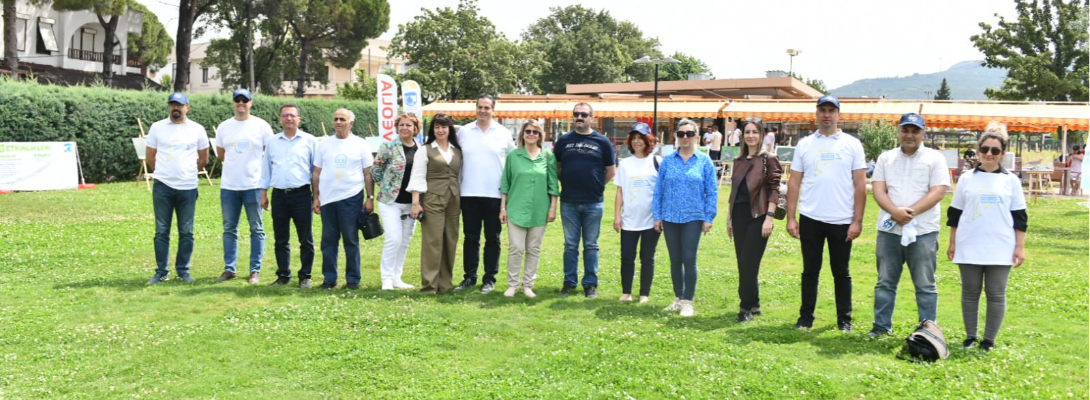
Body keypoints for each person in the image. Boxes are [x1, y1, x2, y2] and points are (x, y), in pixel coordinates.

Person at [785, 95, 867, 331]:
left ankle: (844, 319)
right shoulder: (805, 144)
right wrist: (791, 217)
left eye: (832, 110)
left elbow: (860, 185)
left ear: (839, 115)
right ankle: (806, 318)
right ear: (816, 114)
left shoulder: (852, 145)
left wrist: (857, 220)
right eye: (823, 110)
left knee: (841, 272)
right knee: (810, 270)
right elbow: (794, 183)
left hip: (841, 220)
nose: (827, 114)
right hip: (811, 218)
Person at [868, 113, 951, 338]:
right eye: (905, 130)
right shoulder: (886, 158)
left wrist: (910, 212)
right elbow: (878, 189)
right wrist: (895, 212)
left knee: (925, 284)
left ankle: (928, 330)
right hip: (889, 230)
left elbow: (938, 191)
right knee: (885, 282)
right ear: (899, 131)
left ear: (923, 133)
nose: (910, 135)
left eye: (915, 131)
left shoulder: (935, 158)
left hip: (923, 230)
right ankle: (881, 326)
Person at [947, 121, 1027, 351]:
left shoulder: (1011, 181)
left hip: (1001, 246)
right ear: (978, 150)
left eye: (995, 151)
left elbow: (1020, 217)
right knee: (970, 292)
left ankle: (988, 340)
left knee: (996, 294)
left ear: (1002, 154)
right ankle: (970, 337)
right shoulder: (966, 178)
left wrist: (1019, 247)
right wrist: (952, 242)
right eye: (985, 149)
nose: (989, 154)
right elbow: (955, 214)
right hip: (969, 243)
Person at [653, 119, 718, 317]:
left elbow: (712, 191)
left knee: (689, 259)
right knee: (675, 260)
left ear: (697, 136)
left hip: (693, 216)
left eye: (689, 134)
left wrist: (709, 217)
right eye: (681, 134)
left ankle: (688, 301)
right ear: (676, 137)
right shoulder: (668, 161)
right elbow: (659, 190)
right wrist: (658, 215)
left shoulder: (704, 161)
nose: (685, 137)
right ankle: (678, 298)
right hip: (670, 216)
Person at [145, 93, 210, 284]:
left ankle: (183, 271)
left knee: (187, 231)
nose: (176, 108)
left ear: (187, 107)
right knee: (161, 230)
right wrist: (164, 173)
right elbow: (150, 156)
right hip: (163, 186)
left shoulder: (197, 129)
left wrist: (189, 172)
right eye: (173, 104)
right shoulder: (157, 128)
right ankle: (161, 271)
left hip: (188, 187)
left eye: (180, 105)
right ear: (168, 107)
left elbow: (204, 158)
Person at [554, 102, 617, 298]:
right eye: (576, 114)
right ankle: (569, 282)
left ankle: (590, 284)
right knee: (570, 244)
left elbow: (610, 171)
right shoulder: (564, 140)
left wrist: (597, 185)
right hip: (569, 201)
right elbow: (557, 167)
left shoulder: (602, 142)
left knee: (591, 245)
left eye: (584, 114)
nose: (579, 117)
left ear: (591, 117)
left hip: (593, 202)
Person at [455, 94, 515, 294]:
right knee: (470, 237)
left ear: (493, 110)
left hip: (495, 195)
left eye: (487, 107)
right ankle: (469, 277)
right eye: (480, 107)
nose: (483, 110)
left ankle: (489, 278)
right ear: (476, 108)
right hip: (469, 193)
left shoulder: (503, 133)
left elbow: (513, 162)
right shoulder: (464, 132)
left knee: (493, 238)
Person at [214, 88, 275, 284]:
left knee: (256, 228)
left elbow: (270, 153)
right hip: (229, 187)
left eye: (245, 100)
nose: (241, 103)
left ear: (251, 102)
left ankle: (254, 270)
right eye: (237, 100)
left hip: (254, 185)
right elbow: (221, 154)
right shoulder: (224, 127)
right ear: (233, 102)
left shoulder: (261, 126)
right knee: (229, 229)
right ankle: (229, 269)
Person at [311, 108, 374, 290]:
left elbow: (368, 174)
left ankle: (353, 279)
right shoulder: (323, 144)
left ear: (351, 123)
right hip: (328, 200)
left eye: (342, 119)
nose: (338, 122)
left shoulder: (360, 144)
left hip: (351, 198)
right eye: (336, 119)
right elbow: (316, 173)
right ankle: (329, 279)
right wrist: (316, 197)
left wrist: (369, 198)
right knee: (328, 241)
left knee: (350, 239)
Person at [726, 120, 780, 322]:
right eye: (747, 132)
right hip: (739, 216)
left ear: (762, 134)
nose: (750, 136)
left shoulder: (769, 158)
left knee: (748, 263)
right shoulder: (738, 160)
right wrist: (729, 219)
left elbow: (775, 190)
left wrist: (769, 217)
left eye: (754, 132)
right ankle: (755, 303)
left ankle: (745, 308)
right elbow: (734, 192)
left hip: (759, 216)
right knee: (744, 263)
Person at [499, 120, 559, 298]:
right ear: (522, 134)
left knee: (534, 248)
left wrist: (553, 208)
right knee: (516, 247)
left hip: (540, 209)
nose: (531, 134)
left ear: (540, 135)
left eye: (535, 132)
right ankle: (512, 284)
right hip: (516, 208)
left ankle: (527, 285)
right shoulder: (513, 156)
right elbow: (505, 183)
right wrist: (503, 207)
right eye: (528, 131)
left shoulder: (548, 157)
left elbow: (553, 185)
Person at [259, 103, 317, 288]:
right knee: (281, 238)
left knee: (305, 239)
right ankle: (283, 275)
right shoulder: (273, 142)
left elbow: (316, 171)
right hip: (279, 196)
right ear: (280, 119)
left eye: (292, 115)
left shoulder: (310, 141)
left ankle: (305, 276)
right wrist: (263, 194)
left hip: (301, 195)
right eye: (285, 115)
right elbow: (266, 170)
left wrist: (316, 197)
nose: (289, 118)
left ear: (299, 119)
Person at [407, 113, 463, 294]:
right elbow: (417, 176)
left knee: (450, 240)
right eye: (437, 127)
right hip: (432, 199)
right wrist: (416, 203)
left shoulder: (457, 150)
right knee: (433, 241)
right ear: (433, 130)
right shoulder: (425, 149)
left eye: (444, 127)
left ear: (449, 129)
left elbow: (459, 176)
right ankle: (429, 285)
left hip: (454, 200)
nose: (440, 130)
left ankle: (445, 284)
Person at [371, 113, 422, 290]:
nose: (404, 128)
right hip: (390, 202)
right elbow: (376, 170)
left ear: (415, 129)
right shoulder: (389, 147)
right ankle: (386, 279)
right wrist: (386, 187)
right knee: (394, 238)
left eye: (409, 125)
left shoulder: (420, 149)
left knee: (405, 240)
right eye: (401, 125)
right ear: (397, 127)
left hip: (411, 203)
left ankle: (396, 278)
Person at [613, 122, 662, 303]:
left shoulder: (657, 162)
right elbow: (620, 191)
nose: (636, 142)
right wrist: (617, 216)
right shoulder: (625, 164)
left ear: (648, 140)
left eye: (640, 138)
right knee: (627, 257)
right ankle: (626, 292)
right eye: (633, 139)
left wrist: (660, 217)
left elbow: (662, 191)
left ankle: (644, 294)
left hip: (651, 220)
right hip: (629, 220)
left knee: (647, 258)